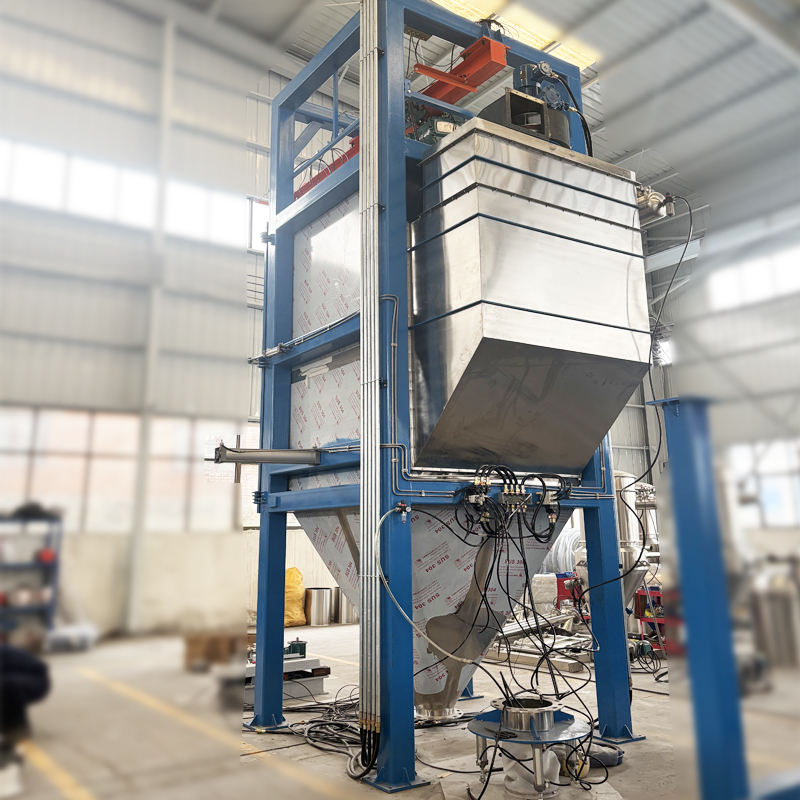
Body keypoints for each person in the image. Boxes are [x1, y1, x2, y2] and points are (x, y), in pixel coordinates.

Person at [0, 644, 51, 798]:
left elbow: (40, 668)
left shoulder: (6, 655)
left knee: (4, 688)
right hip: (12, 683)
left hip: (33, 681)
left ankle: (13, 734)